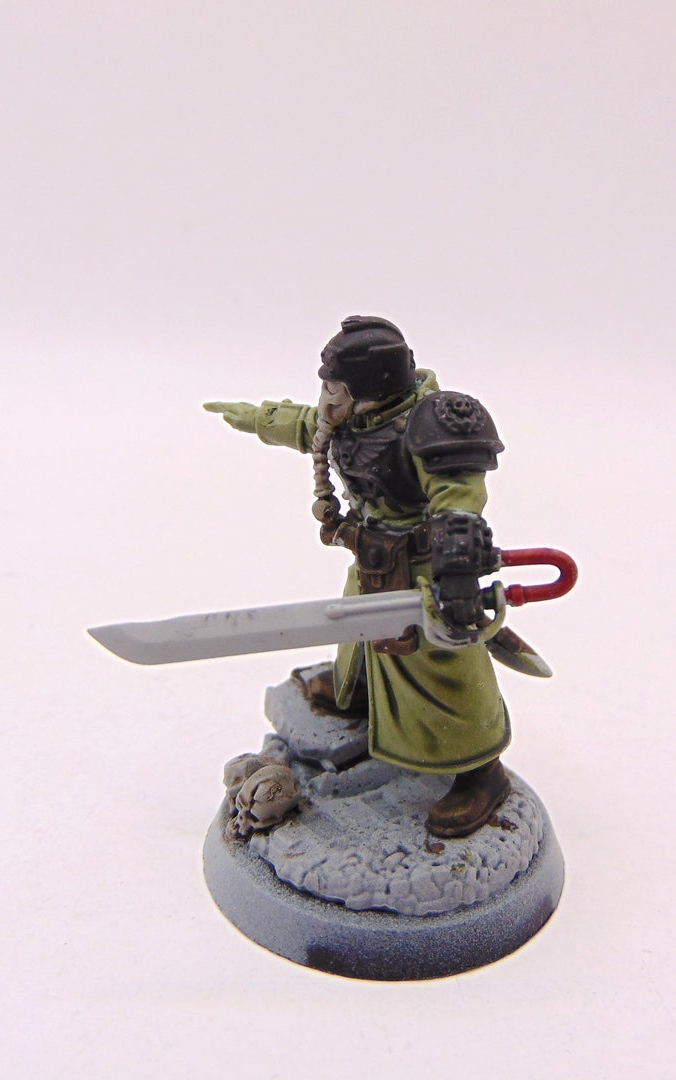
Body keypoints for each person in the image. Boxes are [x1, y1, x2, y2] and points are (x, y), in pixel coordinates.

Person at [204, 315, 514, 837]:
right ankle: (359, 695)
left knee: (442, 665)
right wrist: (256, 418)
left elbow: (458, 499)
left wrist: (457, 574)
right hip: (372, 560)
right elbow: (305, 425)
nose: (327, 397)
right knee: (358, 635)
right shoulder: (353, 420)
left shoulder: (433, 424)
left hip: (424, 571)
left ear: (371, 387)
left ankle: (481, 772)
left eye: (336, 387)